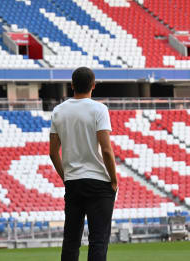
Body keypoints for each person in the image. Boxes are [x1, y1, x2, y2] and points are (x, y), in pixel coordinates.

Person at [49, 67, 118, 261]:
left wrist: (66, 177)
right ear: (93, 86)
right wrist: (113, 180)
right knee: (98, 240)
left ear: (72, 85)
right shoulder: (99, 109)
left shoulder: (59, 111)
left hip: (73, 182)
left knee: (71, 240)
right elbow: (106, 149)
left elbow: (53, 152)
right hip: (98, 182)